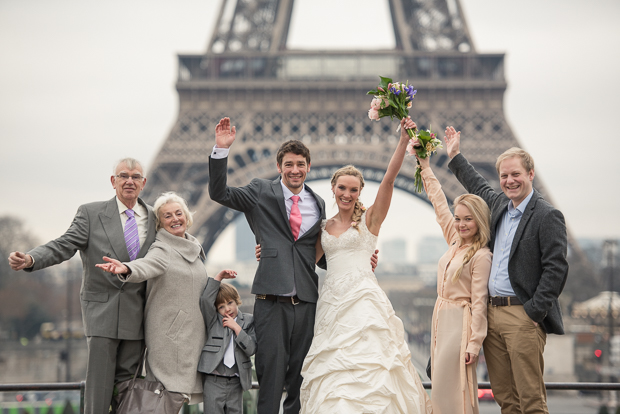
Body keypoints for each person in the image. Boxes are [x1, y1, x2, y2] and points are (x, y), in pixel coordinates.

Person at [299, 117, 432, 414]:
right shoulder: (321, 228)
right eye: (342, 188)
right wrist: (264, 251)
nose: (347, 194)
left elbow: (388, 179)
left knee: (372, 368)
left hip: (364, 300)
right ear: (333, 188)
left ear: (360, 192)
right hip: (332, 303)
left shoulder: (370, 221)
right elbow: (302, 258)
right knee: (335, 376)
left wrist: (402, 142)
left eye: (354, 190)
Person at [7, 158, 156, 414]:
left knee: (129, 391)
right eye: (123, 175)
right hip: (102, 314)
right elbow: (63, 245)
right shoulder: (91, 213)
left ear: (144, 182)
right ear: (113, 181)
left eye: (135, 176)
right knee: (98, 390)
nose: (129, 180)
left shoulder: (155, 217)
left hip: (138, 315)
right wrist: (32, 258)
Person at [445, 127, 569, 414]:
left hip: (521, 315)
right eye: (504, 176)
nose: (510, 181)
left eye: (516, 174)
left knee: (531, 400)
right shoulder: (500, 204)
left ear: (530, 174)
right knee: (506, 399)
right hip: (491, 315)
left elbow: (556, 268)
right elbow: (477, 185)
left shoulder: (547, 215)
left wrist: (533, 312)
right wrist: (454, 156)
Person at [208, 117, 326, 414]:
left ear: (308, 167)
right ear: (279, 167)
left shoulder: (319, 202)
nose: (295, 170)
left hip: (307, 302)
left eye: (300, 164)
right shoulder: (261, 190)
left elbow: (315, 252)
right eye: (288, 164)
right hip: (272, 301)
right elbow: (220, 194)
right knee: (271, 378)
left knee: (301, 377)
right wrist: (222, 151)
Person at [96, 192, 209, 404]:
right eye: (167, 216)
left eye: (178, 213)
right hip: (171, 340)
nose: (175, 219)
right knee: (166, 400)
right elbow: (146, 265)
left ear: (186, 216)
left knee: (174, 400)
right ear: (159, 222)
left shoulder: (193, 247)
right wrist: (126, 268)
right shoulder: (162, 249)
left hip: (191, 337)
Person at [417, 154, 492, 414]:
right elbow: (439, 203)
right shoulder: (454, 240)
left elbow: (480, 301)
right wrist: (425, 167)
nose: (460, 224)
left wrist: (474, 344)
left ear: (479, 220)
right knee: (439, 388)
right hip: (440, 320)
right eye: (458, 218)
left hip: (460, 324)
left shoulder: (481, 256)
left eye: (468, 219)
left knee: (455, 391)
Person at [198, 272, 257, 414]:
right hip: (213, 381)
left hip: (236, 382)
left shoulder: (249, 321)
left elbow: (251, 348)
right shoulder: (214, 321)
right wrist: (218, 278)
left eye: (230, 303)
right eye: (221, 307)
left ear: (237, 301)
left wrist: (237, 328)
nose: (227, 309)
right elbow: (206, 300)